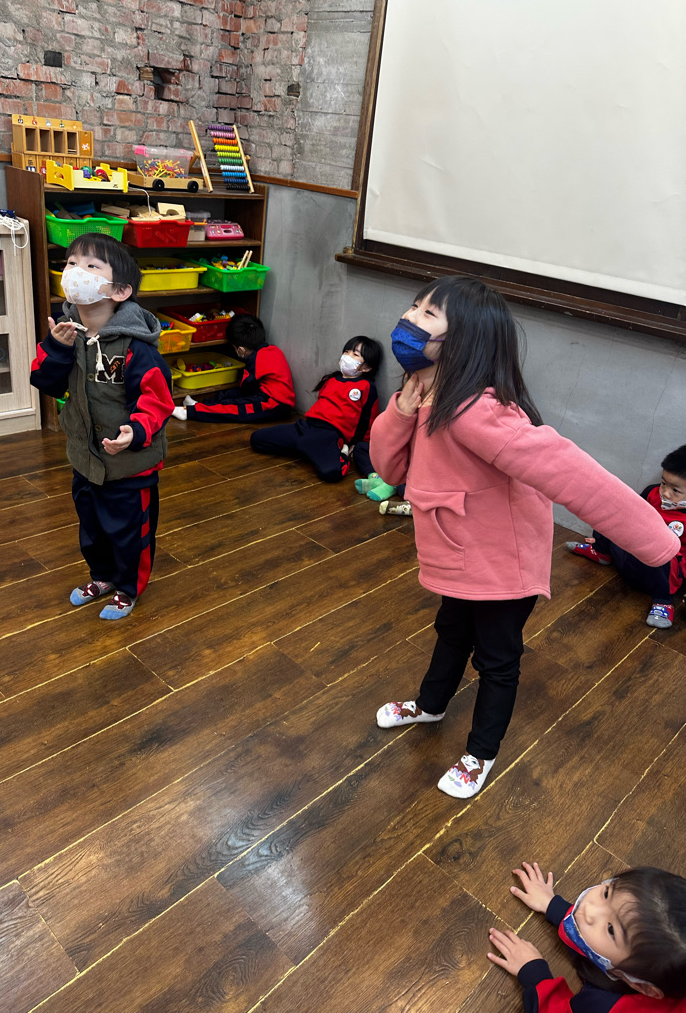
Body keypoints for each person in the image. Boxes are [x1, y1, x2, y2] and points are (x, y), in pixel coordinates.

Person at [371, 276, 680, 798]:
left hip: (501, 566)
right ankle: (430, 705)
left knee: (497, 659)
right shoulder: (423, 390)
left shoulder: (477, 412)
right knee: (451, 631)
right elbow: (389, 466)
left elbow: (571, 474)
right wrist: (402, 407)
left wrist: (657, 544)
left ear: (463, 339)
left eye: (427, 314)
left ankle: (481, 752)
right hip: (457, 555)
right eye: (414, 306)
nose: (409, 318)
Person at [30, 233, 173, 620]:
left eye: (91, 266)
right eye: (71, 263)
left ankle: (128, 587)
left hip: (129, 465)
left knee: (130, 532)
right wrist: (57, 348)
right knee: (92, 527)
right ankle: (103, 576)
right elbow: (45, 381)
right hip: (85, 459)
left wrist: (135, 431)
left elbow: (158, 399)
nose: (76, 271)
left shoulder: (135, 347)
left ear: (120, 290)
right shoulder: (66, 332)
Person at [487, 860, 686, 1012]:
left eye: (611, 930)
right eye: (607, 893)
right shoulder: (660, 963)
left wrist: (533, 972)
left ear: (642, 986)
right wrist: (552, 905)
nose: (589, 908)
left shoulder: (603, 1006)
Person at [565, 444, 686, 629]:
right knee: (616, 510)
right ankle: (601, 551)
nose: (665, 492)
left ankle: (663, 602)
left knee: (662, 547)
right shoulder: (652, 493)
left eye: (675, 490)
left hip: (659, 574)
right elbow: (629, 516)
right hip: (629, 558)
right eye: (663, 483)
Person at [250, 336, 382, 482]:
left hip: (327, 436)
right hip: (305, 427)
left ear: (366, 367)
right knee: (257, 439)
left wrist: (357, 445)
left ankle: (338, 451)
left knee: (332, 473)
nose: (347, 356)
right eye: (346, 351)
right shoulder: (329, 379)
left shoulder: (366, 387)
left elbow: (368, 420)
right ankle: (304, 448)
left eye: (355, 354)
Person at [171, 312, 295, 423]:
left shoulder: (255, 359)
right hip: (269, 397)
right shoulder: (273, 350)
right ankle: (200, 405)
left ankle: (189, 412)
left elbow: (246, 386)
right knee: (231, 395)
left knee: (233, 408)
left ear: (240, 350)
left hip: (273, 404)